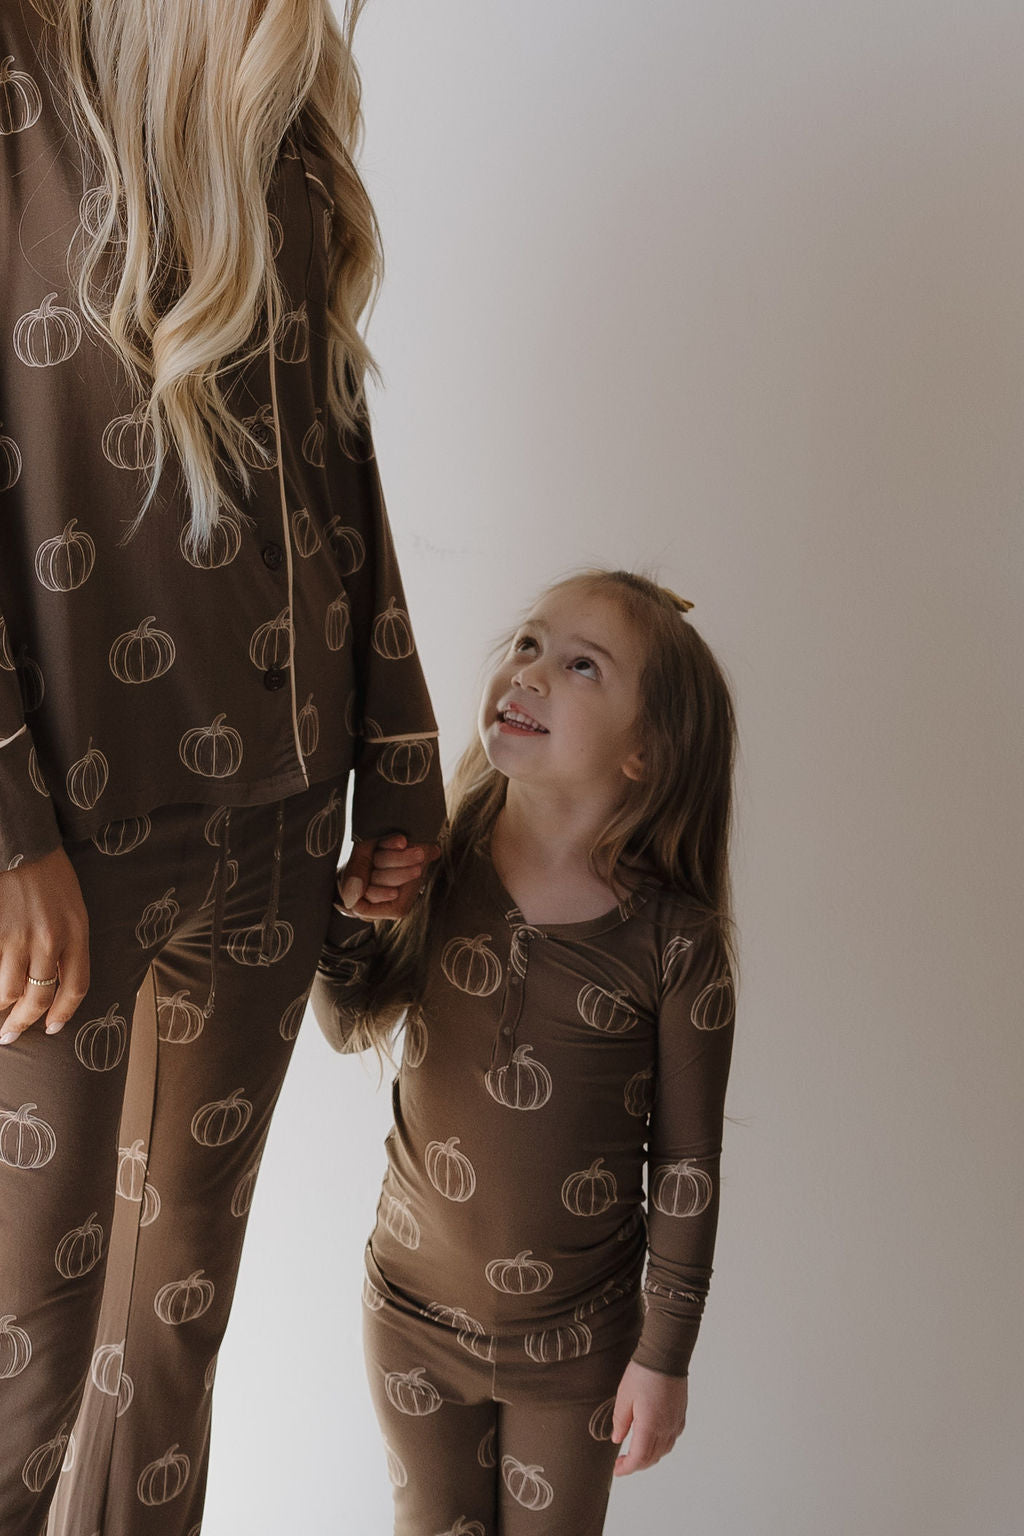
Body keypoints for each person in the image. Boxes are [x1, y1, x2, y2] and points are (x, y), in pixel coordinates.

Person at [0, 2, 443, 1531]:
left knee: (169, 1344)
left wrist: (395, 763)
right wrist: (3, 833)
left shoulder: (275, 88)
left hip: (281, 812)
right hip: (67, 841)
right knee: (25, 1367)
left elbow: (336, 446)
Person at [312, 569, 738, 1535]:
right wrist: (343, 908)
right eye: (529, 643)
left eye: (582, 664)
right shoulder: (439, 860)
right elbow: (348, 1023)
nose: (530, 671)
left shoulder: (676, 944)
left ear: (646, 752)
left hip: (577, 1351)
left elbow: (686, 1167)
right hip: (410, 1319)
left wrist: (665, 1354)